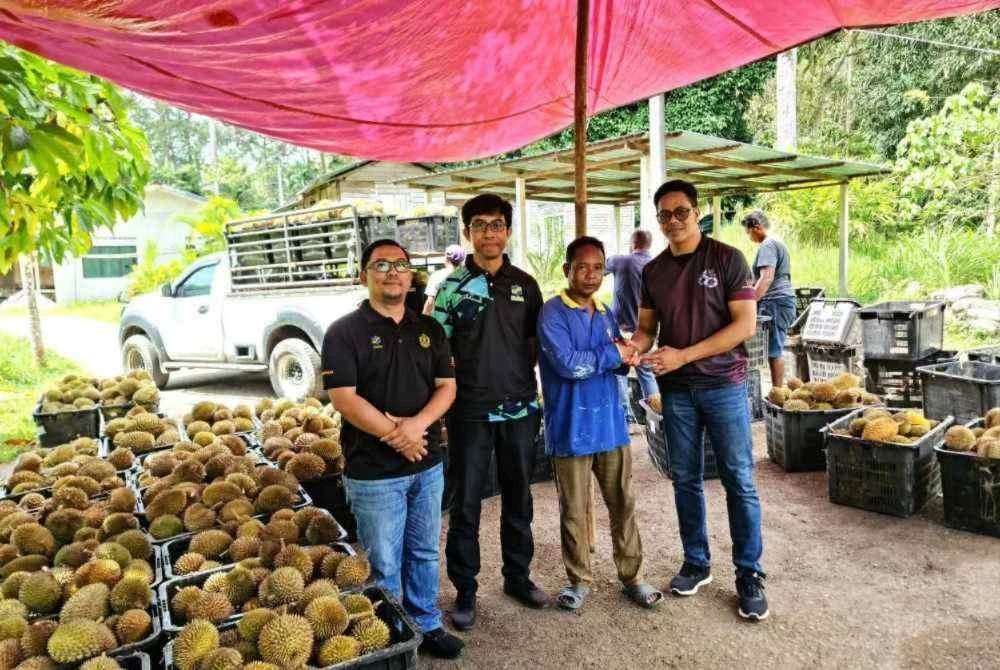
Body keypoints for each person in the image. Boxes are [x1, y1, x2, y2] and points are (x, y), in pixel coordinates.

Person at [630, 179, 769, 622]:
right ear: (657, 220)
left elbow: (744, 326)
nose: (674, 221)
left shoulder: (728, 258)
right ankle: (697, 562)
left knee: (738, 479)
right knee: (684, 477)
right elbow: (646, 329)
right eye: (665, 215)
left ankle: (749, 572)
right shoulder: (652, 272)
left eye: (681, 212)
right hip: (677, 390)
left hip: (724, 384)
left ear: (696, 213)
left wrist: (684, 355)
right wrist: (629, 348)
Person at [321, 239, 465, 658]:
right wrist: (395, 434)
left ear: (410, 275)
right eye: (381, 264)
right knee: (383, 560)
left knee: (422, 550)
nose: (392, 272)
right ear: (364, 273)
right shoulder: (344, 331)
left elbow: (447, 387)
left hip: (426, 462)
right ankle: (392, 634)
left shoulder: (429, 329)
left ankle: (426, 621)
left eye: (400, 265)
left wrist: (417, 426)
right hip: (373, 470)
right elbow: (344, 397)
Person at [432, 193, 549, 630]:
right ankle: (465, 591)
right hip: (469, 415)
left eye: (497, 224)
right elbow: (437, 356)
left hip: (520, 411)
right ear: (467, 233)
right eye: (479, 225)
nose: (489, 233)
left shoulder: (525, 285)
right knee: (465, 504)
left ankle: (518, 577)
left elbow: (539, 346)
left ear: (507, 231)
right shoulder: (450, 289)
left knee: (520, 498)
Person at [538, 236, 663, 612]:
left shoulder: (606, 312)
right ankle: (578, 580)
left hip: (611, 426)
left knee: (623, 503)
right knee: (574, 510)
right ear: (567, 270)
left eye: (597, 267)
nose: (590, 275)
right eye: (582, 267)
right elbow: (568, 364)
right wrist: (614, 353)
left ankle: (633, 577)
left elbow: (620, 356)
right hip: (570, 429)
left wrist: (628, 354)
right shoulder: (552, 314)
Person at [605, 229, 658, 416]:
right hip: (648, 333)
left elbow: (599, 267)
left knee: (619, 373)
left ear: (633, 243)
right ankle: (656, 415)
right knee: (646, 373)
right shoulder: (656, 264)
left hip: (622, 331)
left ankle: (625, 418)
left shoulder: (622, 261)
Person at [741, 211, 796, 386]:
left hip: (776, 301)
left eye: (748, 232)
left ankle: (777, 392)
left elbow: (767, 278)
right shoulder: (777, 242)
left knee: (774, 350)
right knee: (774, 348)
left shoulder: (768, 245)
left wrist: (750, 301)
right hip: (780, 300)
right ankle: (776, 391)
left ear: (756, 227)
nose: (749, 236)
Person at [423, 244, 467, 315]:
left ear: (446, 258)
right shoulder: (467, 276)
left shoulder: (436, 276)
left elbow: (430, 302)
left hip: (441, 319)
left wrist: (423, 320)